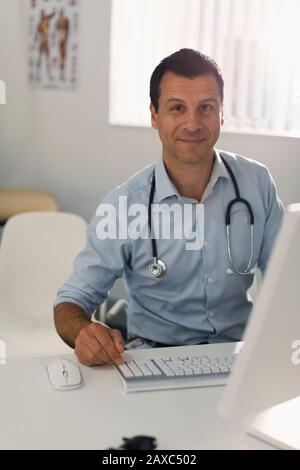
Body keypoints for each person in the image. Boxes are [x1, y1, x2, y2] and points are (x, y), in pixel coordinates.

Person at [54, 48, 284, 367]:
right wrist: (84, 332)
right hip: (156, 356)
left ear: (221, 114)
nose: (193, 123)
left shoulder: (256, 183)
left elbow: (286, 281)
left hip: (239, 356)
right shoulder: (124, 206)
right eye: (177, 108)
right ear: (154, 115)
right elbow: (70, 302)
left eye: (205, 107)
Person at [35, 9, 55, 81]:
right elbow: (36, 34)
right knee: (39, 58)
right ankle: (37, 75)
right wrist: (35, 43)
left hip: (46, 41)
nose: (43, 15)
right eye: (42, 14)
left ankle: (49, 75)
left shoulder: (46, 21)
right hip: (41, 41)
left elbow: (51, 15)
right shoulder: (39, 24)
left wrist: (54, 11)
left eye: (43, 13)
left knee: (47, 58)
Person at [56, 9, 69, 81]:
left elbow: (67, 29)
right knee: (61, 56)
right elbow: (57, 29)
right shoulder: (58, 21)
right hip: (61, 38)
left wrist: (65, 38)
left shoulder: (65, 20)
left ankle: (62, 73)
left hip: (63, 38)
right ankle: (61, 74)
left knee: (63, 56)